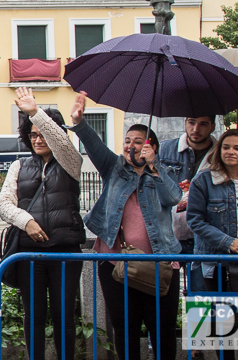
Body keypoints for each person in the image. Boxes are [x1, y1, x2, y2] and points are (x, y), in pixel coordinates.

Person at [70, 91, 181, 360]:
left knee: (162, 328)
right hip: (115, 263)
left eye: (138, 141)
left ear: (151, 146)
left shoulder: (161, 173)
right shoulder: (113, 167)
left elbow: (174, 197)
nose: (131, 146)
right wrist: (79, 122)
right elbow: (94, 146)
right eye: (127, 141)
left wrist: (154, 168)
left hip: (160, 263)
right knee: (125, 327)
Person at [0, 87, 84, 360]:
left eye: (42, 133)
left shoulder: (70, 162)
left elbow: (62, 142)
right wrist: (27, 222)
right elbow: (4, 205)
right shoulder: (19, 167)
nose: (37, 139)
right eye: (32, 134)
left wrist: (35, 113)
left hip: (65, 252)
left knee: (64, 317)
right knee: (33, 317)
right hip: (29, 254)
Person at [185, 129, 238, 359]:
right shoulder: (203, 180)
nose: (230, 152)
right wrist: (228, 242)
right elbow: (194, 219)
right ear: (219, 150)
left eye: (237, 148)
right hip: (215, 263)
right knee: (223, 328)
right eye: (226, 147)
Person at [158, 116, 217, 257]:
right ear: (185, 122)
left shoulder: (220, 154)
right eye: (192, 122)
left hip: (204, 237)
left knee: (200, 279)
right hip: (168, 235)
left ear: (213, 126)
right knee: (166, 278)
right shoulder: (164, 150)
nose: (196, 129)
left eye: (203, 124)